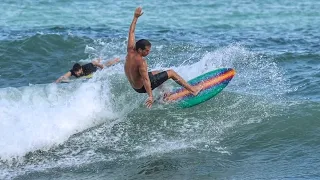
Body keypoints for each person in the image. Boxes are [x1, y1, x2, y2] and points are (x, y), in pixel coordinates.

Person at [124, 7, 203, 108]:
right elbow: (146, 80)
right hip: (142, 87)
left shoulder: (130, 50)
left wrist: (135, 17)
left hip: (135, 85)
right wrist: (150, 96)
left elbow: (131, 32)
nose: (149, 52)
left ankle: (165, 95)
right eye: (147, 50)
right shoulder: (141, 62)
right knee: (171, 73)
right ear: (140, 50)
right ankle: (193, 90)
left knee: (159, 72)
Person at [55, 57, 120, 83]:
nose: (76, 73)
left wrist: (102, 67)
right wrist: (55, 83)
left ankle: (116, 60)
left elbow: (93, 63)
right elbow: (63, 76)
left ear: (80, 69)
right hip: (88, 74)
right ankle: (99, 59)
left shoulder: (87, 67)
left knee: (106, 64)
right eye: (75, 72)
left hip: (96, 69)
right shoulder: (73, 72)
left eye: (77, 71)